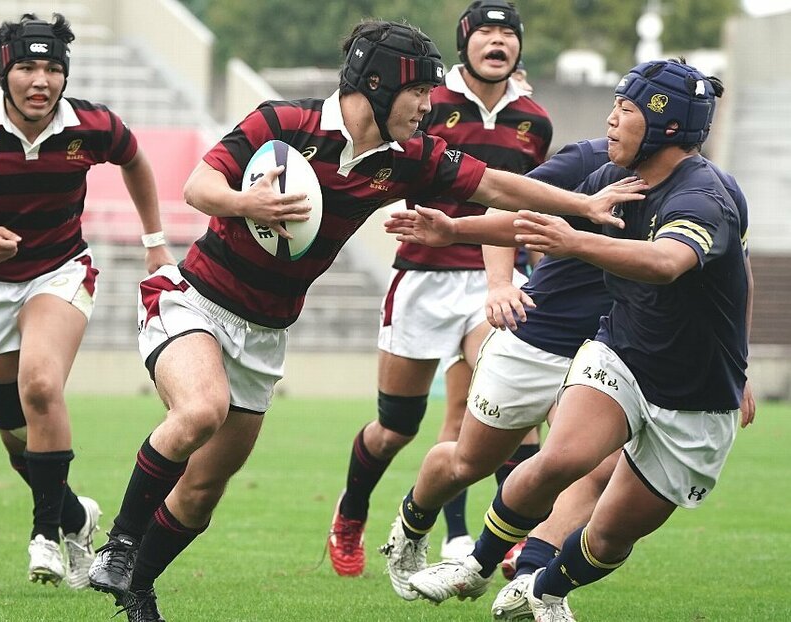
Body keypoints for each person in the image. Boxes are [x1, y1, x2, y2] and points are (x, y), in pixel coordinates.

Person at [84, 20, 644, 622]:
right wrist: (247, 203)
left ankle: (137, 589)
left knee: (203, 490)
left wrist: (582, 204)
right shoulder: (284, 123)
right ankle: (116, 545)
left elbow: (496, 185)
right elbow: (199, 185)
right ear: (377, 85)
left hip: (266, 332)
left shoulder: (406, 157)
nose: (429, 106)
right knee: (200, 410)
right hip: (195, 300)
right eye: (419, 94)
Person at [391, 59, 748, 621]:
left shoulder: (703, 198)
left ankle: (545, 586)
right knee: (561, 458)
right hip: (614, 353)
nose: (609, 121)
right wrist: (455, 229)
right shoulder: (608, 173)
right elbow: (524, 215)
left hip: (694, 390)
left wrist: (740, 367)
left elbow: (665, 262)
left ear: (668, 125)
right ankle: (477, 563)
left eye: (625, 110)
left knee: (609, 537)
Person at [0, 13, 174, 589]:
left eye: (52, 68)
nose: (41, 80)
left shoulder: (93, 125)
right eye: (27, 66)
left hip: (60, 271)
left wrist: (155, 243)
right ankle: (76, 518)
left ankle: (45, 538)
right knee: (15, 441)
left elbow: (135, 161)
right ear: (5, 71)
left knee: (41, 386)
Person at [327, 0, 552, 578]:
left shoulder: (536, 121)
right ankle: (351, 513)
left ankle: (519, 544)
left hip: (494, 281)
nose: (498, 42)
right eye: (486, 33)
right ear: (464, 42)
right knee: (394, 428)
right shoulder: (426, 100)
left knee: (516, 408)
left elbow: (522, 199)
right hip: (424, 277)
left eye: (508, 33)